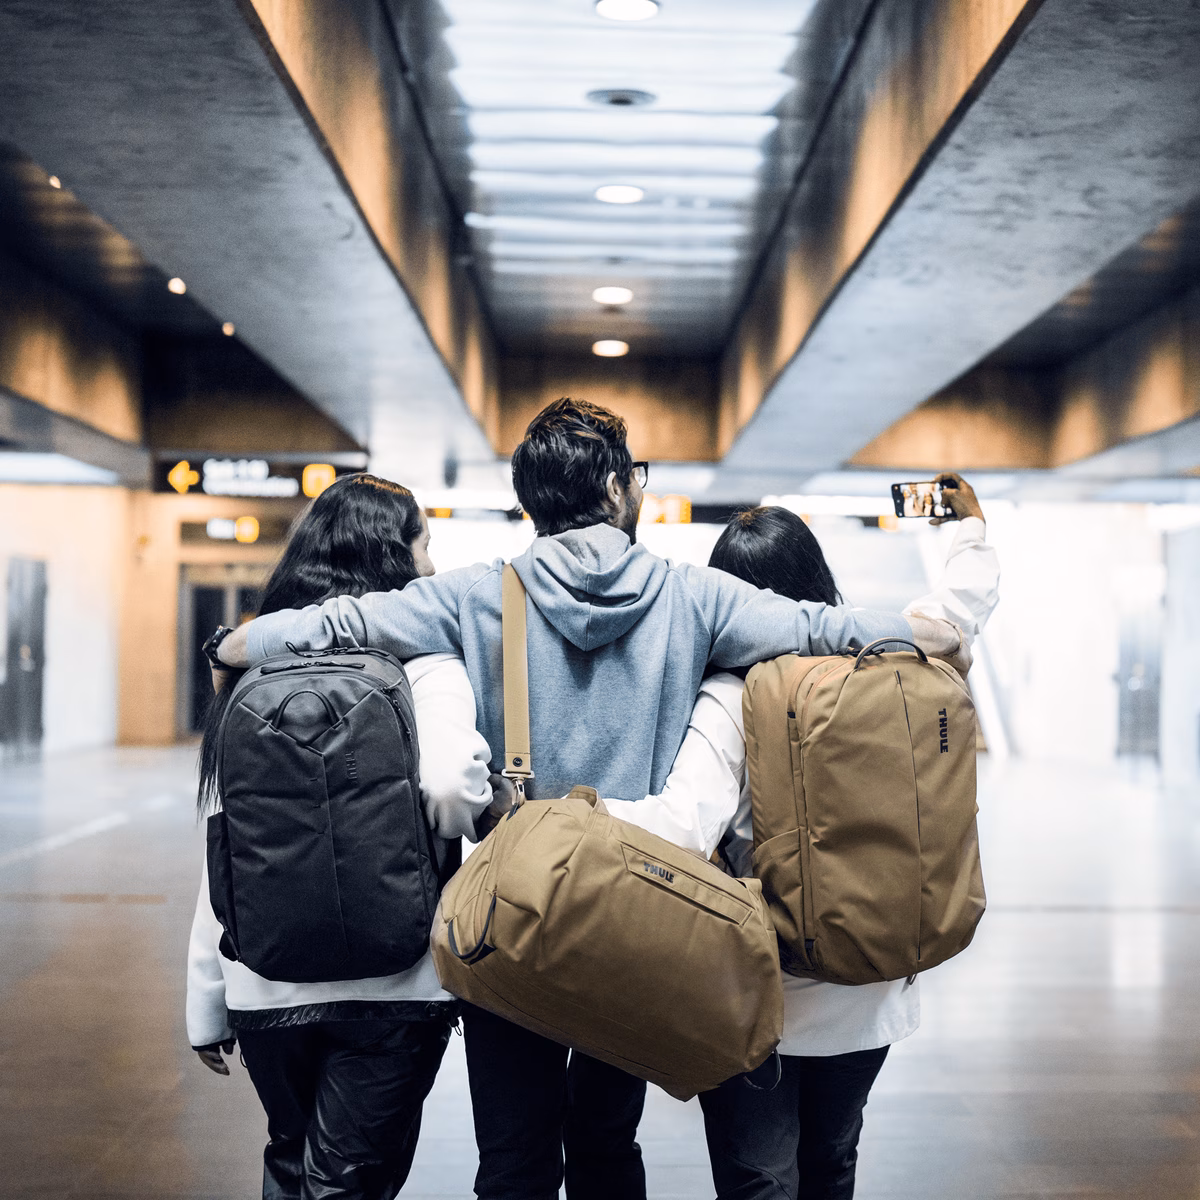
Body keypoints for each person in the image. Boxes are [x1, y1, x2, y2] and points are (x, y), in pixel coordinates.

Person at [211, 398, 967, 1200]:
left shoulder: (476, 595)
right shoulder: (696, 597)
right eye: (635, 476)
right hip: (635, 921)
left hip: (509, 916)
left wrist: (237, 642)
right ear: (614, 487)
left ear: (533, 501)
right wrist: (933, 633)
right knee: (607, 1143)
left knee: (513, 1157)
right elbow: (820, 628)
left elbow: (344, 623)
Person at [607, 473, 998, 1200]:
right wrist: (966, 528)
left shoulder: (735, 693)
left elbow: (681, 829)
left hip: (762, 999)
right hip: (875, 987)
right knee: (832, 1161)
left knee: (761, 1179)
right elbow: (962, 608)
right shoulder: (892, 656)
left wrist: (562, 817)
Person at [186, 474, 493, 1200]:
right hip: (392, 984)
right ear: (395, 555)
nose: (432, 564)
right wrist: (445, 838)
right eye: (425, 544)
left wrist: (206, 999)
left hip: (265, 981)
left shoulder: (250, 662)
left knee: (291, 1161)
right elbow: (452, 786)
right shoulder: (425, 664)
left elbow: (222, 835)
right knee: (349, 1182)